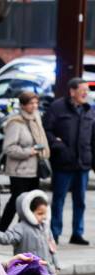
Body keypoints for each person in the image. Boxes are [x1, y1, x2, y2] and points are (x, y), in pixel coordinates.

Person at [45, 77, 95, 245]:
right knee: (58, 200)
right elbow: (47, 131)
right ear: (72, 91)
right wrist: (58, 145)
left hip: (83, 164)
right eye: (82, 90)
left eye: (87, 91)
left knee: (80, 200)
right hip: (63, 164)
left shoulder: (89, 110)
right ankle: (55, 233)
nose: (85, 93)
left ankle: (77, 233)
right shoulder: (57, 108)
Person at [0, 91, 50, 232]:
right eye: (30, 103)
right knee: (17, 201)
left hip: (34, 169)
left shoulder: (36, 118)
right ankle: (2, 229)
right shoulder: (15, 122)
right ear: (22, 105)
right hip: (19, 170)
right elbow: (8, 148)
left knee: (30, 202)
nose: (34, 106)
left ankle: (23, 230)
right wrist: (29, 151)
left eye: (36, 103)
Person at [0, 191, 59, 273]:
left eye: (45, 213)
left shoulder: (46, 228)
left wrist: (56, 265)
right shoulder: (21, 227)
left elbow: (52, 248)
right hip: (26, 271)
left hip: (45, 271)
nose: (44, 217)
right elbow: (8, 238)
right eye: (40, 213)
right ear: (29, 212)